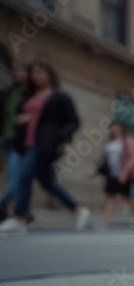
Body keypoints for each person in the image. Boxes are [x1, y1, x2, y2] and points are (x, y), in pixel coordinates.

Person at [0, 61, 90, 233]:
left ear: (49, 74)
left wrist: (59, 137)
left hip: (43, 145)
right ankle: (78, 210)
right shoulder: (28, 97)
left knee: (23, 177)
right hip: (24, 145)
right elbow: (18, 118)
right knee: (47, 183)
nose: (36, 76)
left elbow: (74, 122)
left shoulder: (59, 97)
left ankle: (19, 218)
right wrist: (18, 121)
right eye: (33, 73)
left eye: (40, 72)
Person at [98, 120, 134, 228]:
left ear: (122, 129)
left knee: (125, 198)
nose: (114, 130)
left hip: (124, 173)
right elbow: (104, 158)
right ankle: (107, 221)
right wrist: (96, 170)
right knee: (110, 196)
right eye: (112, 128)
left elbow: (133, 158)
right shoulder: (109, 142)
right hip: (111, 173)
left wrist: (125, 173)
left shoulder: (128, 141)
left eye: (117, 127)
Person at [0, 60, 27, 222]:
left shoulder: (29, 94)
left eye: (19, 71)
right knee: (13, 176)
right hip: (6, 138)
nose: (15, 73)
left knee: (14, 176)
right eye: (14, 71)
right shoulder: (10, 91)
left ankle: (3, 206)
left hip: (21, 140)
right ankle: (23, 212)